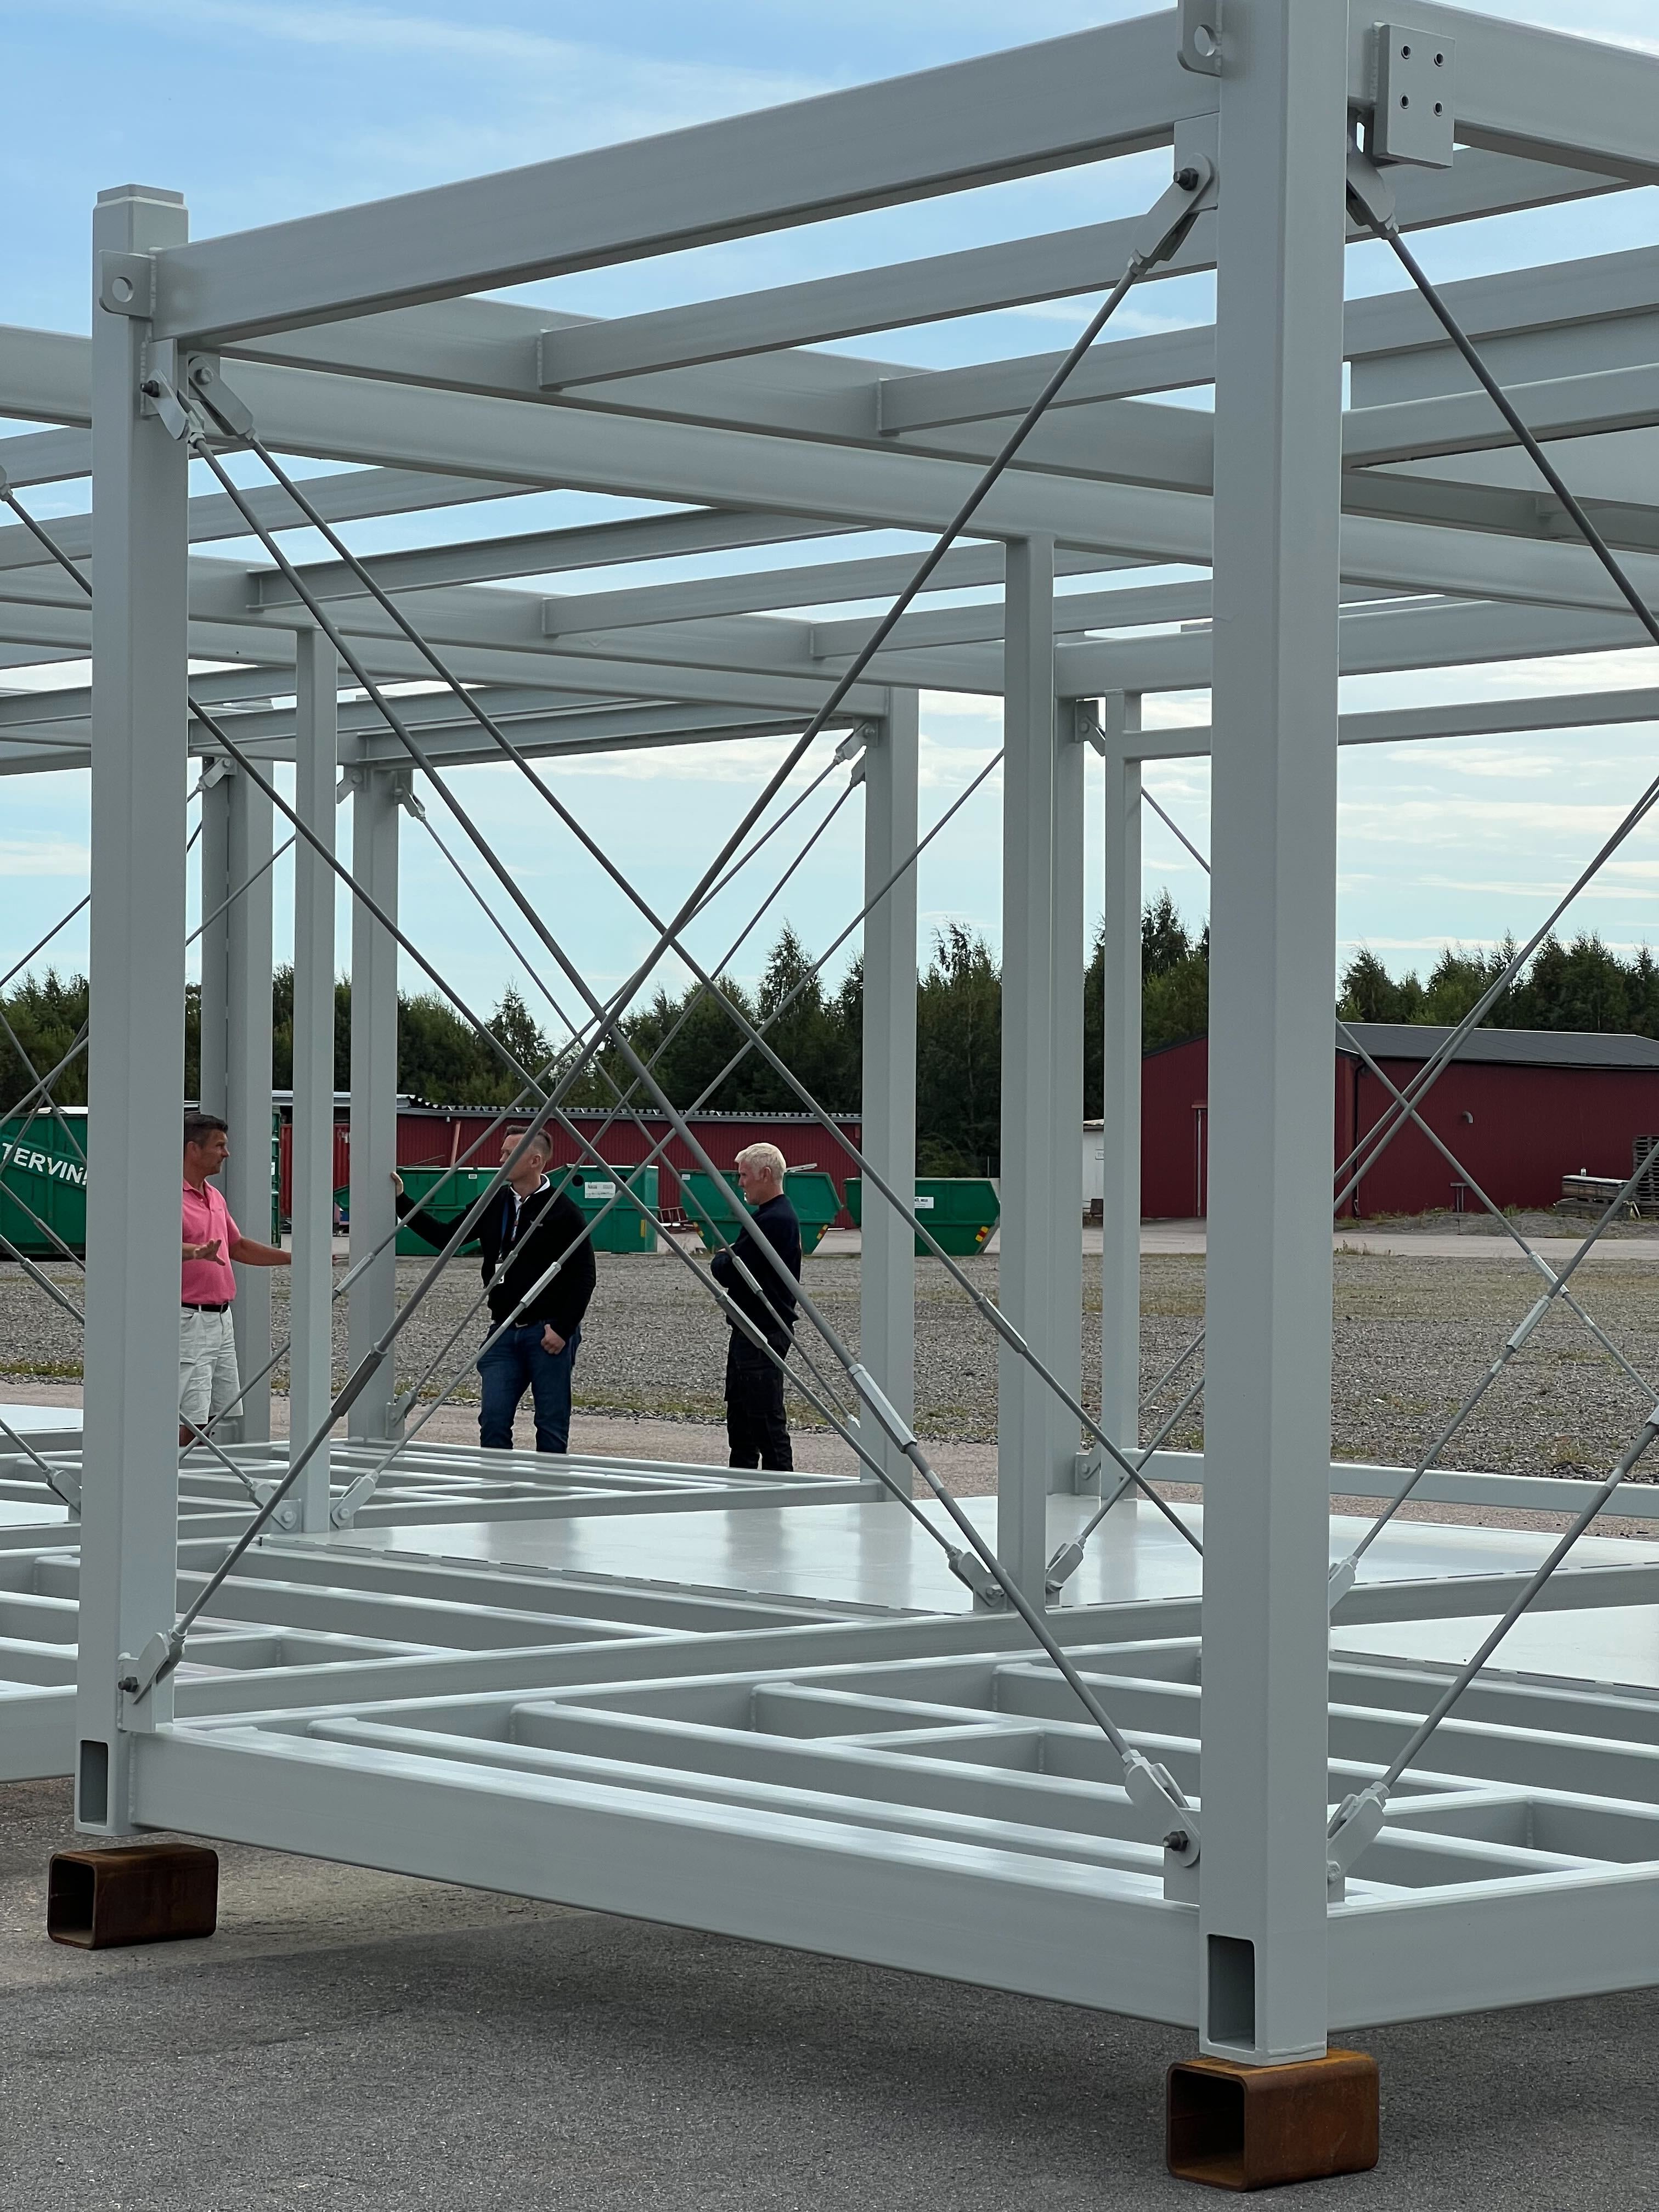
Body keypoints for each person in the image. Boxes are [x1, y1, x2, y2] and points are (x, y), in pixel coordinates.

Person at [394, 1123, 596, 1454]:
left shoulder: (564, 1211)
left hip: (547, 1333)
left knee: (551, 1423)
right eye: (502, 1152)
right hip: (502, 1331)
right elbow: (446, 1237)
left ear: (535, 1161)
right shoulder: (493, 1202)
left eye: (509, 1154)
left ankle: (549, 1485)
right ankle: (497, 1483)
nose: (500, 1160)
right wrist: (402, 1202)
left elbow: (584, 1275)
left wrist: (563, 1328)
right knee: (493, 1420)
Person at [180, 1110, 290, 1448]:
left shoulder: (214, 1196)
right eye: (219, 1145)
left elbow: (237, 1246)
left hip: (220, 1318)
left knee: (217, 1410)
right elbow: (153, 1247)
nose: (226, 1153)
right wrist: (196, 1252)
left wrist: (296, 1259)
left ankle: (192, 1467)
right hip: (189, 1318)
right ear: (193, 1149)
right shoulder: (168, 1197)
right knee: (190, 1415)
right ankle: (169, 1471)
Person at [710, 1143, 802, 1472]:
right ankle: (743, 1486)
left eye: (744, 1176)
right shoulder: (770, 1216)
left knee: (764, 1422)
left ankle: (781, 1488)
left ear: (765, 1174)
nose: (740, 1183)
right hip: (749, 1330)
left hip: (762, 1333)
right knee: (742, 1421)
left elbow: (731, 1269)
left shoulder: (773, 1220)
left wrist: (723, 1258)